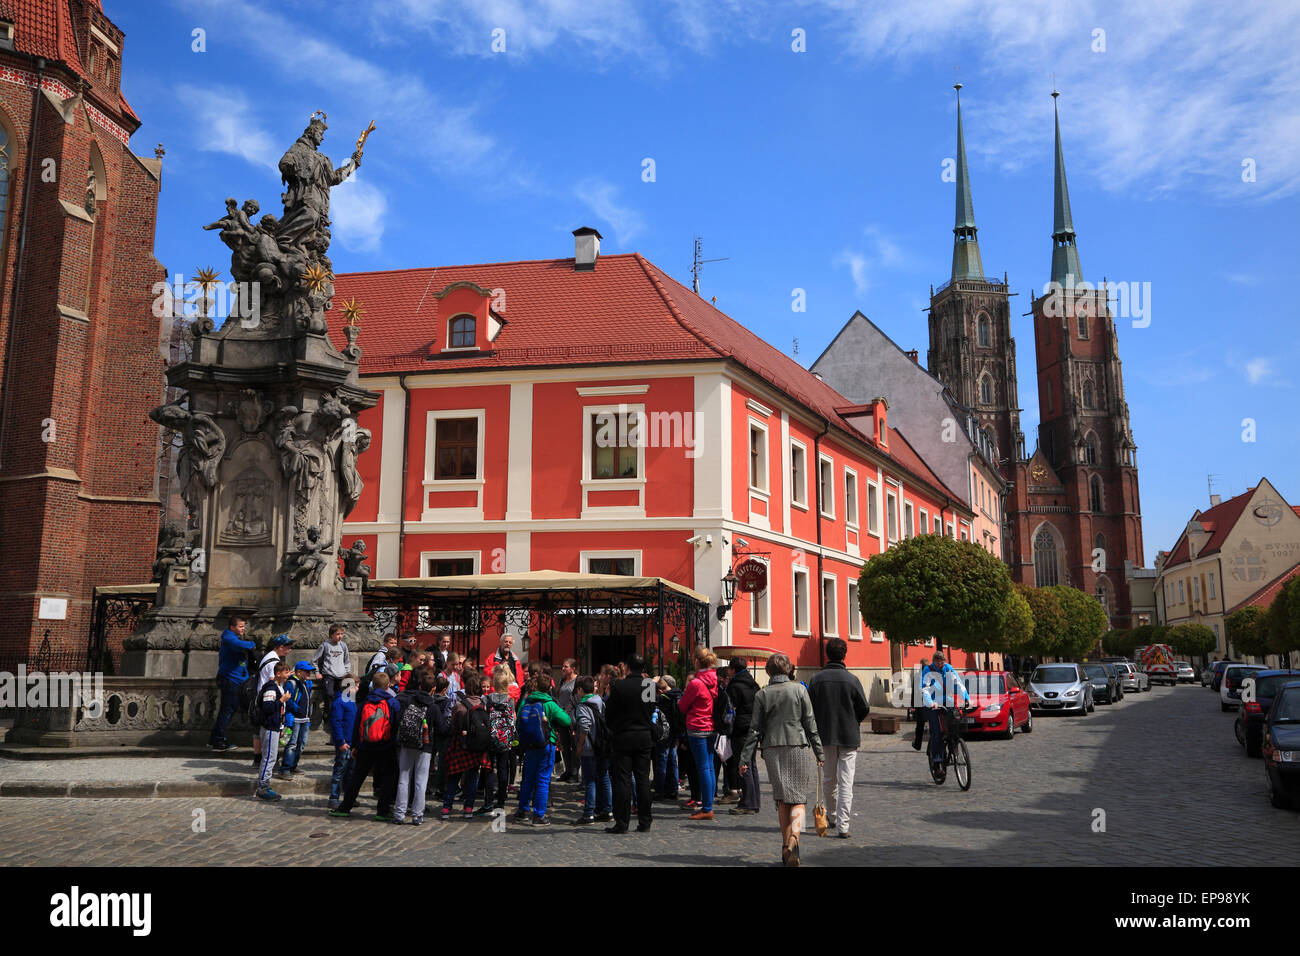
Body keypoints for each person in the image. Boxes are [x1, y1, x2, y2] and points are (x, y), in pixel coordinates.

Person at [739, 653, 824, 866]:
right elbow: (810, 723)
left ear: (768, 672)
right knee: (798, 798)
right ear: (788, 670)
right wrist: (819, 752)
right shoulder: (799, 689)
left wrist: (744, 758)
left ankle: (785, 847)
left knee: (782, 798)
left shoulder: (762, 694)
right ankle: (794, 839)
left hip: (772, 749)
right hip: (798, 745)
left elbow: (755, 729)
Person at [807, 638, 869, 838]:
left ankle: (832, 816)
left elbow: (809, 710)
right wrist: (854, 720)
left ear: (827, 654)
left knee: (829, 779)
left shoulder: (816, 680)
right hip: (848, 735)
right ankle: (843, 825)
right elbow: (864, 708)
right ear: (844, 655)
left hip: (825, 735)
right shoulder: (852, 680)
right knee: (846, 781)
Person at [330, 671, 402, 820]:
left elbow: (357, 725)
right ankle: (382, 811)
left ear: (373, 685)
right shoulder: (392, 702)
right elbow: (396, 724)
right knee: (388, 778)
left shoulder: (364, 702)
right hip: (386, 746)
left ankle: (345, 807)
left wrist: (355, 745)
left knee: (357, 777)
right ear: (388, 686)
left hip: (365, 746)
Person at [514, 665, 572, 827]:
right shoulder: (550, 704)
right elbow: (566, 721)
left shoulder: (526, 701)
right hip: (546, 744)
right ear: (549, 688)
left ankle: (522, 811)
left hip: (529, 745)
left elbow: (519, 718)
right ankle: (538, 815)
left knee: (527, 779)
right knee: (543, 780)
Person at [604, 655, 655, 833]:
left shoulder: (619, 685)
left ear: (627, 667)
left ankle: (622, 822)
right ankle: (645, 820)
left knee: (623, 780)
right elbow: (651, 710)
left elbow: (609, 713)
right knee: (643, 780)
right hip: (644, 735)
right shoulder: (649, 685)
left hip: (623, 735)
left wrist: (614, 727)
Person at [441, 671, 493, 820]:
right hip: (477, 746)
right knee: (472, 777)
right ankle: (468, 808)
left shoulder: (459, 706)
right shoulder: (484, 704)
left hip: (460, 743)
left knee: (453, 776)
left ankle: (446, 807)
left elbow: (453, 726)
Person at [394, 669, 443, 825]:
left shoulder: (409, 700)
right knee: (420, 781)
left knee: (403, 778)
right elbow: (442, 729)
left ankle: (399, 813)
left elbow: (398, 719)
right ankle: (417, 815)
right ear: (433, 689)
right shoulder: (433, 707)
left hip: (407, 743)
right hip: (425, 746)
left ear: (420, 687)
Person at [678, 647, 719, 820]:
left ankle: (707, 807)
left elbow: (682, 706)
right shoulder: (714, 679)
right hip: (711, 726)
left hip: (697, 727)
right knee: (709, 766)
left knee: (703, 767)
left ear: (696, 661)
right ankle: (709, 803)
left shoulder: (695, 683)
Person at [920, 651, 971, 773]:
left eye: (942, 661)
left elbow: (958, 683)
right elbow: (924, 689)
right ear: (934, 661)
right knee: (936, 731)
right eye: (938, 661)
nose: (940, 664)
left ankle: (954, 745)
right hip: (933, 704)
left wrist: (966, 698)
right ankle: (937, 760)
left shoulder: (948, 668)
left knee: (954, 725)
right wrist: (930, 702)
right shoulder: (928, 670)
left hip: (948, 702)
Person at [208, 615, 255, 751]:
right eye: (240, 626)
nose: (243, 629)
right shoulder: (229, 637)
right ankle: (219, 741)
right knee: (227, 710)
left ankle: (213, 739)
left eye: (243, 626)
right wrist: (251, 645)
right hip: (230, 679)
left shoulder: (232, 637)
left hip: (234, 678)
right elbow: (239, 645)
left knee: (227, 709)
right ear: (232, 627)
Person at [571, 675, 612, 824]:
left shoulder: (582, 706)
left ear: (581, 690)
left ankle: (589, 813)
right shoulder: (599, 700)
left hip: (589, 747)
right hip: (602, 746)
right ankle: (607, 810)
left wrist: (579, 746)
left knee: (589, 780)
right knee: (604, 777)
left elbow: (584, 727)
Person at [724, 659, 762, 815]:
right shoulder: (753, 684)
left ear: (733, 669)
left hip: (740, 728)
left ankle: (747, 802)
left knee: (743, 764)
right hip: (753, 726)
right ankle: (754, 800)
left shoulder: (734, 686)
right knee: (751, 764)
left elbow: (729, 708)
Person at [251, 635, 293, 767]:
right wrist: (282, 698)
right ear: (280, 647)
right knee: (268, 730)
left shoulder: (268, 656)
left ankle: (259, 759)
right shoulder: (274, 662)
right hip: (269, 701)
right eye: (288, 648)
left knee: (258, 731)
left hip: (261, 698)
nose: (289, 650)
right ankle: (267, 761)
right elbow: (273, 681)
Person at [256, 661, 293, 801]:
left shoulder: (279, 686)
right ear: (278, 674)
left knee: (271, 757)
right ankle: (263, 787)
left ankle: (264, 784)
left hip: (275, 726)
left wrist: (281, 727)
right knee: (269, 758)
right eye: (286, 672)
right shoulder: (271, 688)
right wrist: (282, 700)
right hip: (270, 727)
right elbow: (268, 707)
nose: (287, 675)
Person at [484, 666, 517, 812]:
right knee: (503, 768)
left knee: (490, 769)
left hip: (491, 738)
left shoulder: (487, 699)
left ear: (494, 685)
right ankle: (501, 801)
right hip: (505, 738)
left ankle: (488, 800)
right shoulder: (510, 700)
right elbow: (513, 720)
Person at [278, 661, 317, 777]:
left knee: (302, 744)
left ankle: (293, 766)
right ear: (299, 672)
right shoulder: (292, 683)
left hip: (305, 720)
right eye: (307, 671)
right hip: (294, 719)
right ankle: (285, 769)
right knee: (292, 744)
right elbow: (288, 700)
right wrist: (297, 709)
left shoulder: (306, 683)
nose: (309, 673)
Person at [327, 673, 357, 810]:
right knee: (339, 771)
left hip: (351, 742)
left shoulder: (351, 701)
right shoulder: (340, 702)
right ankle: (334, 798)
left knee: (350, 773)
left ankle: (348, 798)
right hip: (344, 742)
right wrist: (340, 741)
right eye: (356, 686)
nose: (357, 689)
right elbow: (336, 723)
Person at [652, 675, 681, 801]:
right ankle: (673, 789)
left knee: (661, 762)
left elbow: (646, 697)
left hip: (663, 733)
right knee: (673, 761)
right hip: (674, 732)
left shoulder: (663, 698)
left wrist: (650, 683)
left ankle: (660, 790)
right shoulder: (677, 694)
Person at [312, 624, 351, 718]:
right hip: (329, 674)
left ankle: (339, 713)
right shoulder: (325, 645)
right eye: (338, 634)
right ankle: (327, 712)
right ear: (331, 635)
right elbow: (314, 660)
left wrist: (347, 672)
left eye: (341, 634)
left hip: (341, 675)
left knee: (342, 695)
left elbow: (347, 660)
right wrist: (317, 672)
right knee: (329, 694)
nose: (340, 636)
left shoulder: (343, 645)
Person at [554, 658, 578, 781]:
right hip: (561, 716)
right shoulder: (563, 680)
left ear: (573, 668)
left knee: (574, 745)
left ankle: (574, 772)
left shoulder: (578, 680)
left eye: (566, 666)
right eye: (563, 666)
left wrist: (566, 711)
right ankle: (567, 771)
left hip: (572, 716)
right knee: (564, 744)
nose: (563, 668)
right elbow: (559, 696)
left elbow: (575, 699)